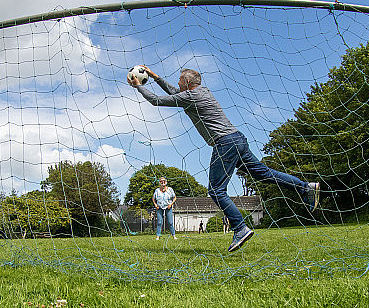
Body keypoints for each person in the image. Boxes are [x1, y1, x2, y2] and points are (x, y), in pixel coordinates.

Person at [130, 67, 320, 252]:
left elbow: (156, 100)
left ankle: (240, 227)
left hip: (225, 143)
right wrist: (155, 77)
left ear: (187, 82)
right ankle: (305, 187)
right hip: (237, 139)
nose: (178, 83)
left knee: (216, 189)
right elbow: (174, 92)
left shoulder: (190, 96)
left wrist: (138, 85)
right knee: (264, 174)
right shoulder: (200, 92)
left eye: (180, 80)